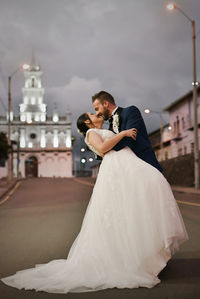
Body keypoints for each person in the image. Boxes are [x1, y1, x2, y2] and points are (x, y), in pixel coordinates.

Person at [0, 111, 188, 294]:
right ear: (87, 123)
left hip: (122, 166)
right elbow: (103, 149)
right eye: (92, 114)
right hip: (115, 166)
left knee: (133, 204)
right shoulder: (91, 133)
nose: (95, 113)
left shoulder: (99, 128)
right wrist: (122, 133)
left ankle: (136, 253)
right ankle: (126, 259)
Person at [92, 90, 163, 172]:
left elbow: (130, 138)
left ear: (105, 104)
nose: (97, 113)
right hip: (127, 170)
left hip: (145, 164)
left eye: (97, 109)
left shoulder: (130, 111)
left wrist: (105, 147)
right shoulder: (110, 127)